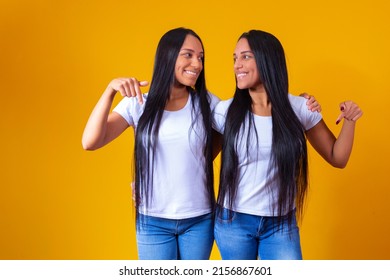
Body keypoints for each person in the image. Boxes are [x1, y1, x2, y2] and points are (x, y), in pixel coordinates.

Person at [212, 30, 363, 260]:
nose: (237, 65)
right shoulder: (226, 111)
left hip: (280, 225)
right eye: (234, 58)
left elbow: (337, 157)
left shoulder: (300, 108)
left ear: (268, 59)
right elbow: (196, 162)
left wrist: (350, 121)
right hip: (234, 223)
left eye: (245, 57)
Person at [82, 27, 221, 260]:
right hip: (152, 221)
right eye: (188, 54)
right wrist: (109, 91)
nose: (197, 64)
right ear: (168, 55)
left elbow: (239, 127)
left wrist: (301, 105)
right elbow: (90, 141)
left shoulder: (206, 103)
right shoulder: (137, 103)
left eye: (201, 57)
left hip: (199, 220)